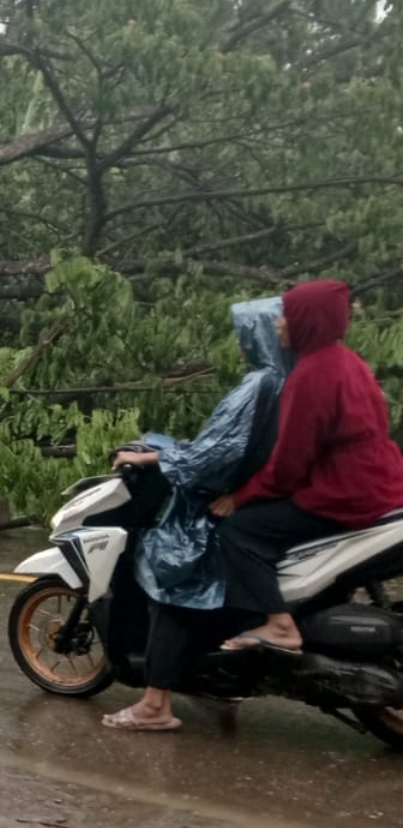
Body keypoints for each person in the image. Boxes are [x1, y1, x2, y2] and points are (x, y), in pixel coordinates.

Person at [101, 297, 291, 733]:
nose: (240, 343)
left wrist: (152, 456)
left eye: (244, 333)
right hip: (261, 498)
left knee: (172, 582)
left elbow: (214, 454)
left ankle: (154, 704)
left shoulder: (258, 384)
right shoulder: (288, 380)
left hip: (220, 501)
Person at [212, 280, 403, 655]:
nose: (279, 324)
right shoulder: (349, 361)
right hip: (383, 483)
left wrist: (241, 495)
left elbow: (289, 466)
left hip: (345, 493)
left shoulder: (311, 373)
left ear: (307, 320)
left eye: (287, 315)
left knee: (239, 531)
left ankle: (279, 624)